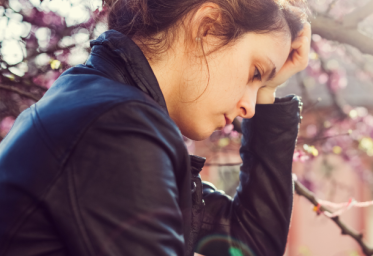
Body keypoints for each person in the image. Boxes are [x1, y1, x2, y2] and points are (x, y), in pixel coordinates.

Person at [0, 0, 310, 255]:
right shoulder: (116, 127)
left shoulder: (98, 103)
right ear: (208, 26)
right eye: (255, 72)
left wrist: (270, 87)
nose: (250, 108)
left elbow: (252, 246)